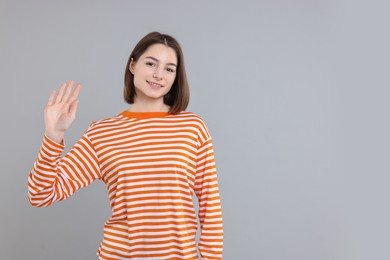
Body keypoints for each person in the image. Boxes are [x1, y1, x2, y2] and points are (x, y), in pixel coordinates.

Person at [27, 32, 223, 260]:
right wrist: (54, 135)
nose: (159, 75)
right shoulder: (102, 133)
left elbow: (210, 205)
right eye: (151, 63)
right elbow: (40, 195)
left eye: (169, 69)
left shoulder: (192, 127)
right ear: (132, 65)